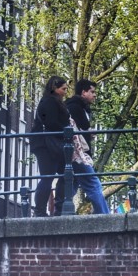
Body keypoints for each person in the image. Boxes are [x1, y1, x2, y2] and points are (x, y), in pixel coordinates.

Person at [65, 79, 109, 214]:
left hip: (72, 155)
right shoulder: (75, 108)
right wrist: (88, 133)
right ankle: (106, 217)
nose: (95, 95)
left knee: (70, 187)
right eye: (92, 92)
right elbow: (80, 130)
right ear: (83, 92)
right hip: (78, 155)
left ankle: (56, 215)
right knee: (93, 183)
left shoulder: (77, 107)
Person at [34, 76, 71, 216]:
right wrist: (67, 130)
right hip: (46, 145)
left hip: (50, 144)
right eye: (63, 89)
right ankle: (42, 210)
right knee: (48, 177)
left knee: (65, 174)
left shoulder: (54, 101)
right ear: (54, 88)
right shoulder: (49, 102)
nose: (65, 92)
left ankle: (56, 208)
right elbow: (51, 123)